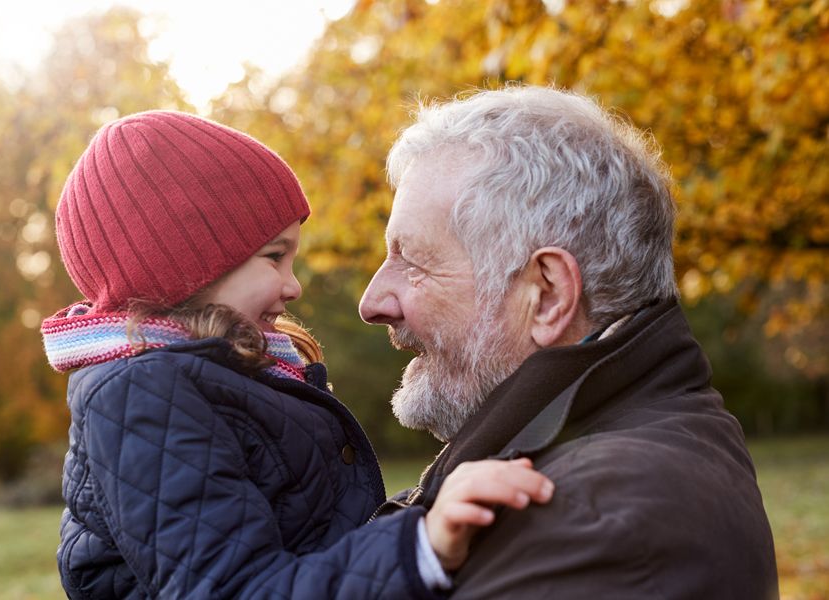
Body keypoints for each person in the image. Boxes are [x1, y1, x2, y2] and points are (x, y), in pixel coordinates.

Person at [41, 110, 555, 599]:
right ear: (186, 268)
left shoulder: (218, 374)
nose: (293, 286)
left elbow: (312, 536)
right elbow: (231, 588)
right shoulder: (142, 395)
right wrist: (419, 545)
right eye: (274, 257)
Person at [359, 86, 779, 599]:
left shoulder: (594, 520)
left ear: (549, 295)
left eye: (414, 262)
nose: (373, 301)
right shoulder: (559, 465)